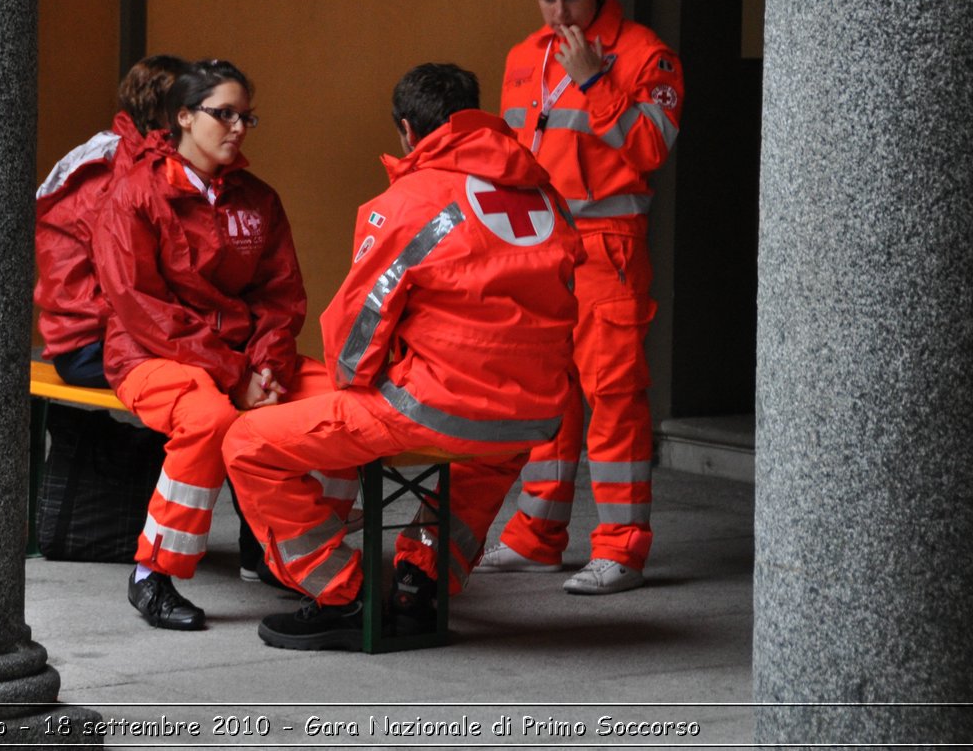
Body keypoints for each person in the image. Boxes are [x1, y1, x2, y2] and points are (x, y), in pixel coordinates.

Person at [222, 63, 584, 650]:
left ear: (408, 131)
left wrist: (350, 383)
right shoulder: (547, 197)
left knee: (248, 444)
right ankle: (420, 589)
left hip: (428, 405)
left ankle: (344, 595)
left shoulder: (410, 199)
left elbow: (362, 319)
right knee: (480, 465)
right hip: (531, 417)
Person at [93, 59, 353, 631]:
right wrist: (235, 374)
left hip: (247, 360)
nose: (238, 127)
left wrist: (269, 366)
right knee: (209, 418)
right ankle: (152, 576)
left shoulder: (258, 199)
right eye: (224, 114)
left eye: (246, 116)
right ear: (183, 117)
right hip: (149, 356)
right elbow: (138, 303)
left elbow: (281, 296)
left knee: (343, 403)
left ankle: (304, 560)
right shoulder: (135, 195)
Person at [479, 0, 684, 595]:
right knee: (548, 398)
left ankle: (621, 549)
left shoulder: (646, 54)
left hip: (610, 250)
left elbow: (651, 148)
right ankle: (536, 538)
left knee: (614, 398)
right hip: (541, 252)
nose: (560, 13)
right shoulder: (521, 55)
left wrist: (596, 80)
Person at [34, 55, 189, 387]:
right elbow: (120, 277)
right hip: (91, 343)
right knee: (204, 373)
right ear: (165, 109)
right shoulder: (117, 166)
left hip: (94, 334)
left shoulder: (120, 153)